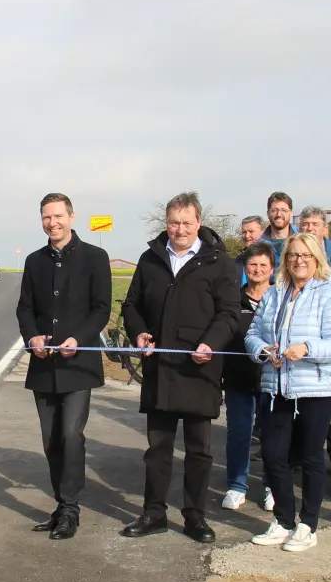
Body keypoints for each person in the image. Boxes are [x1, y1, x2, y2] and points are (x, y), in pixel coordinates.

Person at [121, 192, 240, 543]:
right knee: (157, 449)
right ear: (166, 224)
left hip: (199, 369)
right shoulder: (150, 259)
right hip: (160, 369)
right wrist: (139, 332)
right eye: (174, 223)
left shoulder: (219, 262)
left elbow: (229, 312)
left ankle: (195, 517)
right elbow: (131, 305)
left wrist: (212, 344)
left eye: (187, 223)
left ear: (199, 224)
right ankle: (154, 513)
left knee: (199, 451)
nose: (180, 229)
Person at [245, 233, 331, 552]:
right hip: (276, 386)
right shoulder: (274, 294)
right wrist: (264, 350)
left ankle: (308, 524)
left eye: (305, 255)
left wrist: (305, 348)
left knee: (310, 456)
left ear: (317, 258)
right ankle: (284, 520)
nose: (299, 261)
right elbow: (252, 333)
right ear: (285, 260)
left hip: (316, 388)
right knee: (274, 456)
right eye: (293, 255)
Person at [19, 193, 112, 541]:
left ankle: (71, 509)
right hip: (44, 365)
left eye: (58, 216)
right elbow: (24, 309)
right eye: (46, 217)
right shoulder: (34, 261)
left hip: (79, 364)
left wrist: (79, 338)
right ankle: (60, 505)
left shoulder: (95, 257)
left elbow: (101, 308)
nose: (52, 222)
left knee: (71, 435)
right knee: (50, 440)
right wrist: (32, 338)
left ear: (71, 217)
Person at [220, 241, 274, 511]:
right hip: (238, 378)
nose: (257, 270)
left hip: (272, 380)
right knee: (239, 433)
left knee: (272, 435)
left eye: (263, 265)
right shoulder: (232, 299)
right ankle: (236, 485)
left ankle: (271, 485)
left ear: (272, 268)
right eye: (253, 264)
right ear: (244, 267)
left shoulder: (280, 299)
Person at [261, 192, 296, 268]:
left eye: (284, 210)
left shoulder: (303, 242)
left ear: (291, 213)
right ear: (268, 214)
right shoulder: (259, 246)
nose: (279, 214)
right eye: (274, 210)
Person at [236, 215, 265, 284]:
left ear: (262, 232)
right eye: (244, 232)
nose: (247, 236)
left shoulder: (272, 257)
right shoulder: (238, 260)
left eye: (251, 231)